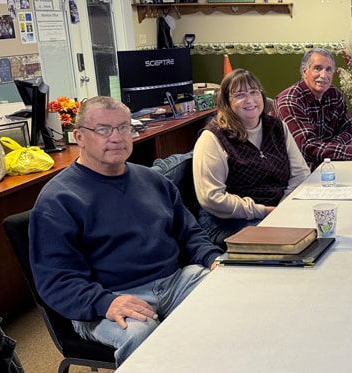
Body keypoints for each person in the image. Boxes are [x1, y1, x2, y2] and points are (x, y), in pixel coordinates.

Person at [29, 96, 223, 365]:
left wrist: (213, 259)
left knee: (225, 298)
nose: (117, 137)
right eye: (103, 130)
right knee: (141, 334)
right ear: (79, 137)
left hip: (173, 281)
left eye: (123, 127)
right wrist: (105, 302)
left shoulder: (153, 180)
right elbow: (56, 279)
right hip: (107, 296)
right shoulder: (58, 200)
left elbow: (190, 233)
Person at [194, 69, 312, 248]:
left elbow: (300, 174)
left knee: (321, 229)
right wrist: (262, 211)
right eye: (240, 95)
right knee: (290, 243)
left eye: (253, 92)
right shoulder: (213, 137)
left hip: (276, 210)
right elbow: (211, 198)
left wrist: (284, 207)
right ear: (226, 102)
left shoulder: (277, 127)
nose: (249, 100)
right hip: (229, 221)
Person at [273, 48, 352, 169]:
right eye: (317, 68)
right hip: (294, 173)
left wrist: (328, 148)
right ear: (305, 72)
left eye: (328, 70)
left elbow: (350, 129)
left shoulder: (333, 93)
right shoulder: (290, 101)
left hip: (327, 165)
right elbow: (307, 148)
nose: (324, 75)